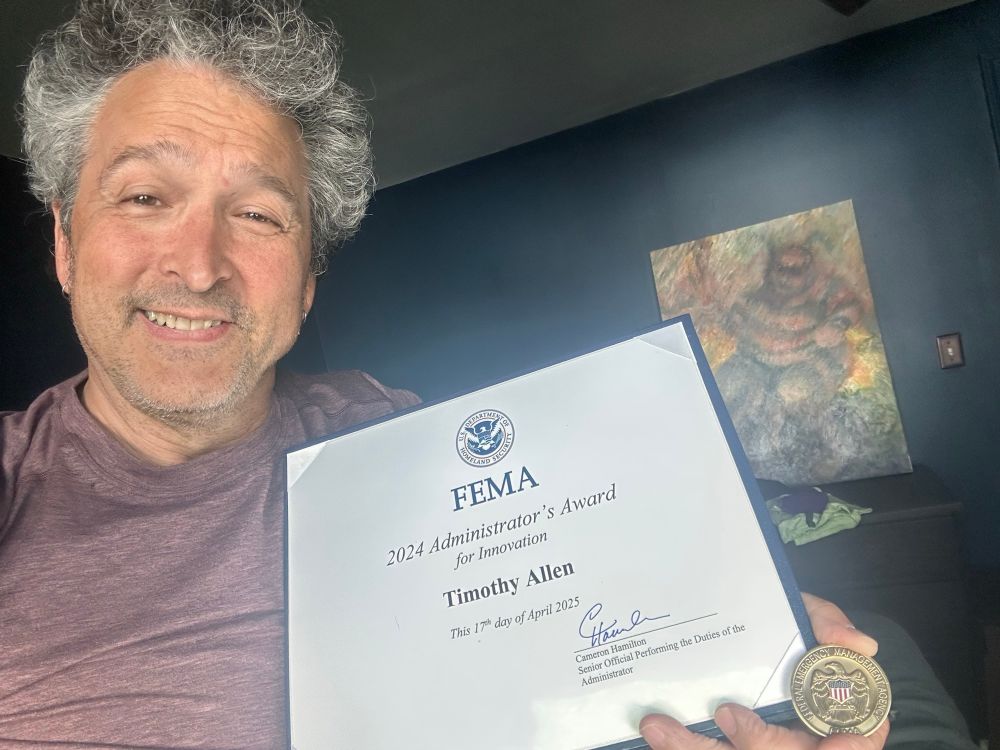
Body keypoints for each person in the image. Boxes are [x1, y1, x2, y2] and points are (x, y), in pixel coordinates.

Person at [0, 1, 970, 749]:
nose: (200, 262)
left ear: (305, 281)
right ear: (65, 241)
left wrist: (769, 669)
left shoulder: (407, 443)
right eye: (143, 195)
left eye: (258, 215)